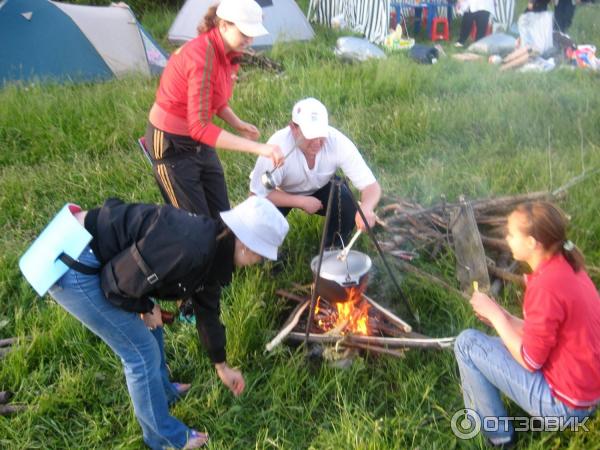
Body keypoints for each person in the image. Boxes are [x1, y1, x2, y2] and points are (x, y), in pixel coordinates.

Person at [20, 196, 289, 449]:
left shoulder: (212, 245)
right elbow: (114, 285)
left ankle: (162, 390)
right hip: (74, 263)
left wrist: (222, 365)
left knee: (152, 324)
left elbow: (207, 308)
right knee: (140, 353)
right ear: (245, 244)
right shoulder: (189, 248)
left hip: (105, 258)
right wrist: (146, 306)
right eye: (261, 255)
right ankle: (163, 436)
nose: (259, 263)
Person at [144, 0, 284, 319]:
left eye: (253, 33)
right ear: (223, 25)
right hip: (172, 144)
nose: (250, 39)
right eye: (244, 32)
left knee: (222, 212)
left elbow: (214, 100)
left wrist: (235, 122)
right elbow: (198, 125)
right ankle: (189, 295)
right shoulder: (200, 56)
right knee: (192, 224)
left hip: (198, 140)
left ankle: (217, 274)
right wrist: (259, 148)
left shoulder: (229, 54)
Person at [454, 201, 600, 446]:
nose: (507, 238)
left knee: (467, 344)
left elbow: (530, 361)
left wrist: (497, 318)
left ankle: (498, 436)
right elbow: (546, 332)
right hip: (588, 395)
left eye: (512, 234)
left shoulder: (545, 287)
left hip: (565, 407)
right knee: (486, 343)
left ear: (532, 243)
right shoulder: (567, 267)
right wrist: (504, 317)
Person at [249, 97, 381, 249]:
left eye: (321, 135)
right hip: (281, 190)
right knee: (258, 216)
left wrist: (366, 207)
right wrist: (301, 201)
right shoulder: (278, 147)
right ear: (293, 128)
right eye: (310, 136)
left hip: (321, 185)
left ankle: (332, 251)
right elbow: (256, 194)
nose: (317, 143)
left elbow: (371, 186)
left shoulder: (337, 141)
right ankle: (266, 257)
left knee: (346, 203)